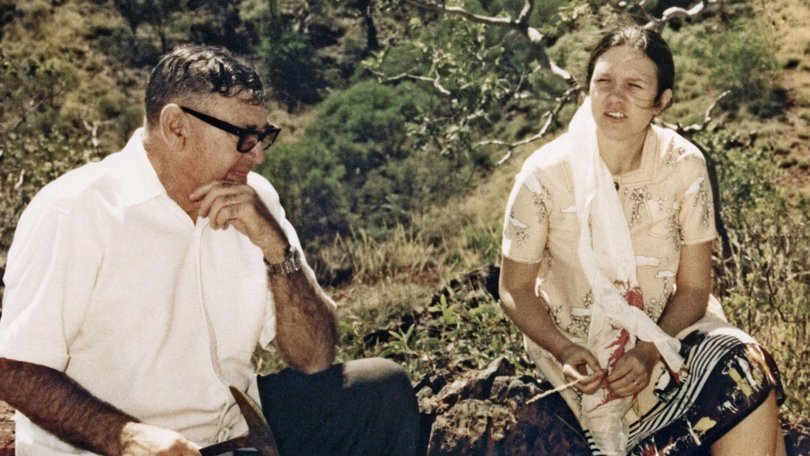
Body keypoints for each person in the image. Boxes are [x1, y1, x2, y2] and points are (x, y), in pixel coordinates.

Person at [0, 45, 420, 455]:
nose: (257, 155)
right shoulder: (75, 209)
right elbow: (14, 370)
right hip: (109, 445)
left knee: (380, 390)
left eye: (263, 136)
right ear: (176, 127)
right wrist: (125, 437)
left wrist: (278, 250)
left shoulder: (257, 199)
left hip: (240, 433)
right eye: (243, 137)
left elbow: (315, 358)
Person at [499, 26, 785, 455]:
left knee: (741, 362)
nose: (615, 100)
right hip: (578, 349)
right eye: (604, 83)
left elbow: (693, 288)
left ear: (661, 101)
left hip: (670, 326)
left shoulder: (684, 166)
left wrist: (652, 350)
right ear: (588, 88)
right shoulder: (544, 175)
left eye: (634, 87)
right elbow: (514, 289)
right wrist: (564, 349)